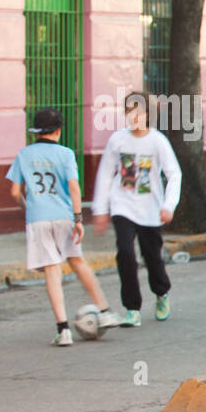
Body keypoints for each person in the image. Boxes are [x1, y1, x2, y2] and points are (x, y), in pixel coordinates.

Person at [7, 109, 121, 346]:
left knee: (52, 270)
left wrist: (28, 206)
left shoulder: (23, 154)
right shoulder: (66, 154)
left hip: (37, 217)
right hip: (63, 216)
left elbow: (15, 192)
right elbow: (74, 188)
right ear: (58, 130)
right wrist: (78, 219)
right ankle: (105, 309)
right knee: (77, 261)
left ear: (35, 131)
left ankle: (63, 329)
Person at [92, 93, 182, 326]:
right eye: (129, 112)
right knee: (125, 253)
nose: (133, 117)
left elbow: (174, 174)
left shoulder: (157, 141)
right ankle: (132, 308)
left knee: (152, 257)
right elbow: (104, 174)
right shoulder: (117, 140)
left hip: (151, 209)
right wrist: (100, 209)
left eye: (138, 112)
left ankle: (161, 293)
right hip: (122, 205)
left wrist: (168, 205)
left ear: (148, 115)